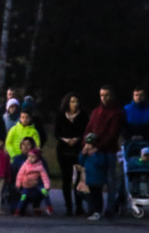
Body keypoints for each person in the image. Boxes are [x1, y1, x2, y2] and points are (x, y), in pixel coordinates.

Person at [84, 85, 125, 218]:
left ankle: (110, 208)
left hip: (108, 151)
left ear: (111, 95)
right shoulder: (96, 111)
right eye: (102, 95)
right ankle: (95, 208)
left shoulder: (116, 112)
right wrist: (86, 144)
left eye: (106, 95)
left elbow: (112, 134)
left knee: (110, 180)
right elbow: (89, 128)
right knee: (95, 182)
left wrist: (98, 146)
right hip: (95, 152)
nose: (104, 98)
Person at [53, 93, 88, 216]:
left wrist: (77, 139)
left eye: (76, 102)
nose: (75, 104)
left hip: (78, 148)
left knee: (79, 178)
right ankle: (68, 206)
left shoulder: (83, 116)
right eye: (72, 102)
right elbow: (56, 132)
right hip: (63, 149)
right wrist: (66, 139)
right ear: (67, 103)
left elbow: (86, 131)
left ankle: (79, 206)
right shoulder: (61, 115)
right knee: (66, 178)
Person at [79, 133, 110, 221]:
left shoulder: (99, 154)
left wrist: (94, 154)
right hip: (88, 179)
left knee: (97, 195)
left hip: (97, 179)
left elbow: (101, 163)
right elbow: (80, 162)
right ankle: (91, 210)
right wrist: (83, 153)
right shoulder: (86, 154)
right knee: (88, 195)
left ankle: (97, 212)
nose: (88, 146)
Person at [14, 148, 53, 216]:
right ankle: (18, 210)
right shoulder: (25, 165)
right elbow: (20, 174)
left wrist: (47, 185)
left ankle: (49, 207)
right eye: (29, 156)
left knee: (44, 192)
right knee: (23, 196)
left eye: (33, 157)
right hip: (27, 184)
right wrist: (18, 183)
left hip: (37, 184)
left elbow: (44, 176)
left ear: (37, 158)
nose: (30, 158)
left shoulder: (40, 166)